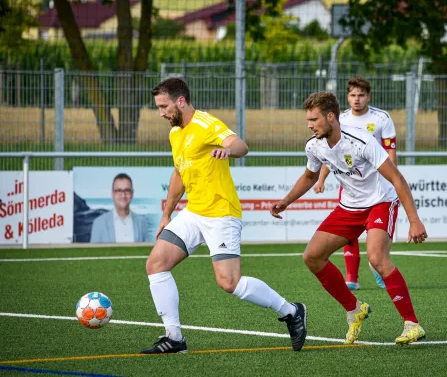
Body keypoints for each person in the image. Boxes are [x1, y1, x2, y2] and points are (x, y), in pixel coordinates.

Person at [141, 77, 307, 354]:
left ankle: (291, 311)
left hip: (220, 213)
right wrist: (166, 215)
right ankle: (174, 338)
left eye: (164, 106)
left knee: (229, 282)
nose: (161, 113)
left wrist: (227, 149)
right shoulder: (175, 133)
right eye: (158, 107)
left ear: (180, 101)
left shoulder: (206, 123)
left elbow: (241, 145)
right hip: (193, 212)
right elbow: (179, 174)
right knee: (156, 265)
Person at [270, 92, 427, 345]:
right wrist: (286, 201)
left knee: (376, 258)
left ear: (330, 117)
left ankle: (412, 323)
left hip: (380, 202)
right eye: (307, 120)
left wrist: (414, 220)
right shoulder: (314, 145)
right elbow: (309, 177)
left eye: (314, 119)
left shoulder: (361, 141)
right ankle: (355, 309)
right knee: (312, 257)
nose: (309, 125)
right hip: (349, 207)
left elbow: (397, 178)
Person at [313, 77, 396, 291]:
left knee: (375, 236)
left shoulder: (381, 118)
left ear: (368, 96)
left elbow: (390, 151)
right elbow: (330, 154)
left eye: (361, 95)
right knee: (349, 231)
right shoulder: (340, 120)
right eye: (352, 95)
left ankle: (376, 263)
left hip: (376, 183)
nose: (356, 99)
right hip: (350, 182)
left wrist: (392, 177)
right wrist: (321, 179)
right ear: (347, 97)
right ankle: (352, 276)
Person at [90, 173, 149, 243]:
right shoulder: (99, 223)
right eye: (118, 191)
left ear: (132, 193)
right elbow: (93, 253)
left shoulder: (142, 222)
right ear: (112, 194)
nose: (123, 195)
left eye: (127, 190)